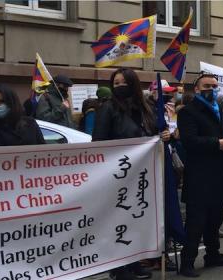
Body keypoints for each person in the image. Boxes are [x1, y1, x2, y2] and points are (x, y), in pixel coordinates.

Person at [92, 68, 170, 280]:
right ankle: (119, 268)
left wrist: (163, 135)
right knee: (119, 220)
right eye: (115, 83)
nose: (119, 86)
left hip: (144, 175)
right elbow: (98, 142)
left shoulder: (147, 108)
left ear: (133, 84)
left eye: (123, 82)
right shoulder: (107, 109)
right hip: (118, 175)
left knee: (137, 218)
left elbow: (153, 132)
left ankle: (135, 261)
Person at [177, 73, 223, 277]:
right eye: (206, 86)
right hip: (199, 177)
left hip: (219, 174)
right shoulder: (188, 112)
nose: (211, 89)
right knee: (196, 222)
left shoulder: (219, 109)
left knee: (215, 219)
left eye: (214, 85)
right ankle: (187, 262)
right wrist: (217, 143)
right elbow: (189, 141)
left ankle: (213, 254)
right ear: (196, 89)